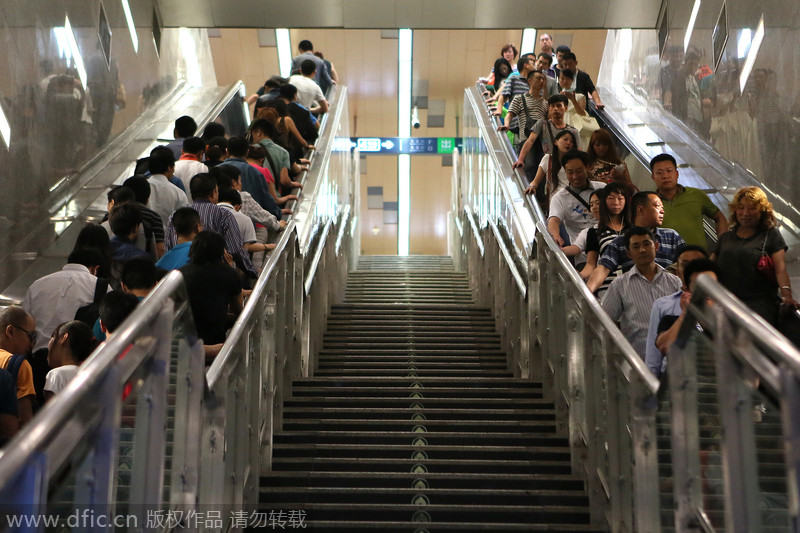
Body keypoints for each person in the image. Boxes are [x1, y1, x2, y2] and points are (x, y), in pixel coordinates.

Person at [712, 186, 797, 325]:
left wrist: (787, 295)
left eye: (752, 208)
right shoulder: (726, 238)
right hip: (725, 303)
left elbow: (780, 270)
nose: (745, 213)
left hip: (758, 307)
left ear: (762, 211)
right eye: (741, 208)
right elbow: (710, 267)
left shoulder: (770, 235)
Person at [602, 226, 682, 359]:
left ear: (656, 246)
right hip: (638, 361)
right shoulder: (619, 285)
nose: (642, 250)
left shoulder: (675, 282)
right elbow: (605, 320)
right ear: (629, 253)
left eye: (646, 244)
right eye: (636, 246)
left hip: (673, 359)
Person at [586, 191, 686, 293]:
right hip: (638, 295)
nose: (662, 211)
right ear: (640, 209)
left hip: (670, 295)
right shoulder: (621, 242)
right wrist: (587, 293)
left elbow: (688, 262)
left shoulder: (671, 236)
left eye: (662, 207)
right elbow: (603, 269)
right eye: (657, 206)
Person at [166, 173, 258, 280]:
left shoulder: (176, 215)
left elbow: (169, 247)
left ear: (191, 193)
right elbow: (236, 250)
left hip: (180, 277)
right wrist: (252, 271)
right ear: (214, 192)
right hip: (216, 276)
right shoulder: (224, 214)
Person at [646, 252, 718, 378]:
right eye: (698, 287)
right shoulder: (671, 320)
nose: (704, 292)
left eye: (709, 286)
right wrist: (686, 314)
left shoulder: (731, 319)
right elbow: (665, 347)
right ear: (687, 288)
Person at [179, 231, 243, 346]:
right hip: (216, 338)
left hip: (186, 339)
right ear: (221, 251)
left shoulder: (180, 274)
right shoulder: (230, 274)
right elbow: (237, 309)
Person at [650, 153, 727, 247]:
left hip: (699, 255)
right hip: (667, 256)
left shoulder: (696, 195)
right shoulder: (650, 203)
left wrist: (722, 246)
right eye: (659, 173)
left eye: (669, 171)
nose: (665, 176)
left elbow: (720, 218)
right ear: (653, 177)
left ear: (677, 174)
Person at [546, 151, 606, 262]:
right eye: (570, 172)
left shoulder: (602, 188)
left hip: (608, 249)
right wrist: (555, 236)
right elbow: (554, 220)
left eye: (579, 171)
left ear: (587, 168)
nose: (575, 176)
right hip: (583, 256)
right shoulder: (559, 198)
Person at [513, 95, 580, 178]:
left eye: (559, 106)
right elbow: (530, 140)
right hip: (547, 167)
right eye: (552, 106)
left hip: (566, 169)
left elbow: (578, 151)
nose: (555, 109)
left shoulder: (573, 131)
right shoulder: (542, 124)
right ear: (549, 108)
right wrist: (520, 159)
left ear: (566, 108)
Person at [580, 182, 631, 288]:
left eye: (620, 198)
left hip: (632, 284)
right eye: (611, 198)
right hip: (608, 286)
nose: (616, 202)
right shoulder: (595, 231)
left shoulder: (633, 229)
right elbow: (591, 264)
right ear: (604, 201)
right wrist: (578, 277)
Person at [0, 306, 37, 426]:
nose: (32, 344)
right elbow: (25, 422)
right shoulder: (19, 365)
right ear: (10, 331)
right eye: (31, 336)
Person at [43, 321, 98, 400]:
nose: (49, 344)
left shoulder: (56, 375)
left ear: (64, 337)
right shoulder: (92, 375)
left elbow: (52, 407)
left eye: (53, 336)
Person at [499, 70, 549, 152]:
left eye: (543, 79)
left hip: (541, 143)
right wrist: (506, 125)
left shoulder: (546, 103)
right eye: (538, 78)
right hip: (525, 140)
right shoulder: (520, 98)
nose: (541, 81)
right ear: (530, 81)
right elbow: (510, 114)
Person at [523, 128, 578, 202]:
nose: (568, 143)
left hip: (573, 201)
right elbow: (535, 181)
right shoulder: (548, 159)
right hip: (555, 202)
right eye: (565, 139)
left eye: (572, 142)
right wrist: (531, 186)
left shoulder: (576, 162)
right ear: (556, 142)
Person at [146, 146, 187, 228]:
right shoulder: (178, 192)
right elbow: (184, 218)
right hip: (169, 234)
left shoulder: (141, 187)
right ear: (169, 168)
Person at [586, 130, 636, 195]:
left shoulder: (619, 164)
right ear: (592, 146)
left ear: (610, 145)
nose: (601, 148)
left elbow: (631, 190)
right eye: (597, 145)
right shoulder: (588, 164)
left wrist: (619, 179)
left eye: (605, 145)